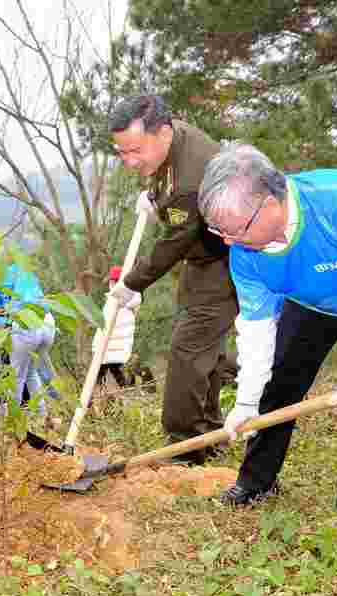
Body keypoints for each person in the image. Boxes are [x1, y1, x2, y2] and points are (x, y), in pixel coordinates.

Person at [197, 143, 337, 536]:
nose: (228, 242)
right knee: (279, 383)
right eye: (218, 231)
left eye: (236, 230)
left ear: (272, 200)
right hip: (314, 301)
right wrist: (248, 401)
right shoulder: (245, 253)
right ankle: (255, 482)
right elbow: (255, 330)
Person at [106, 95, 238, 465]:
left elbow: (173, 243)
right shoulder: (174, 136)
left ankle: (186, 446)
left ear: (162, 133)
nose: (130, 161)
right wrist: (154, 197)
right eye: (121, 152)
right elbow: (169, 191)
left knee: (189, 347)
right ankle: (209, 433)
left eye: (136, 151)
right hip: (205, 252)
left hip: (225, 258)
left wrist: (132, 283)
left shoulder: (189, 181)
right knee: (202, 345)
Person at [0, 248, 58, 418]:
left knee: (16, 376)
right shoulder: (21, 269)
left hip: (25, 324)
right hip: (47, 322)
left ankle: (13, 419)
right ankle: (42, 414)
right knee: (31, 371)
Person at [94, 265, 141, 391]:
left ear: (116, 282)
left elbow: (106, 323)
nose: (110, 283)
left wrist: (97, 342)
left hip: (110, 344)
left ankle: (94, 397)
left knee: (100, 371)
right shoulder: (126, 300)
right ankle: (126, 390)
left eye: (112, 281)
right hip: (117, 345)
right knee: (114, 369)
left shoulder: (118, 300)